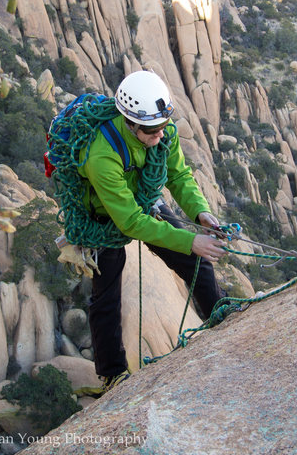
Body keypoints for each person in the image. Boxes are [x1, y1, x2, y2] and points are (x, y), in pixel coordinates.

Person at [78, 70, 226, 393]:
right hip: (103, 217)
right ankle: (113, 373)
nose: (160, 135)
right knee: (106, 293)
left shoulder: (161, 128)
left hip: (144, 200)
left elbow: (179, 175)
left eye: (162, 126)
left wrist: (201, 213)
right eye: (150, 130)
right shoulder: (102, 155)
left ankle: (220, 312)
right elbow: (130, 223)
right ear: (129, 122)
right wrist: (191, 241)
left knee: (196, 262)